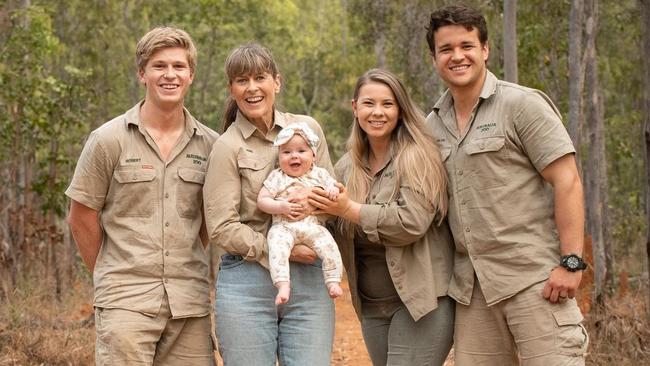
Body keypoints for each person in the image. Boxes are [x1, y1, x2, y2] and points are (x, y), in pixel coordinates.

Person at [424, 4, 589, 365]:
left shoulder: (521, 105)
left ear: (484, 50)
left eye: (466, 46)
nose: (457, 56)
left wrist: (572, 261)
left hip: (535, 281)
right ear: (434, 57)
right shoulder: (430, 127)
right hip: (473, 293)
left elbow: (568, 180)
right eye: (446, 49)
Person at [66, 27, 217, 365]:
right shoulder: (108, 140)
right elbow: (81, 216)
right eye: (159, 66)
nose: (170, 74)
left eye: (179, 66)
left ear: (191, 75)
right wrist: (111, 273)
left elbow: (207, 222)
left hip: (189, 303)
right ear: (142, 74)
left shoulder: (210, 145)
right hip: (125, 302)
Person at [309, 68, 455, 366]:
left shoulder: (417, 156)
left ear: (400, 109)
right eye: (368, 103)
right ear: (355, 108)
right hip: (372, 306)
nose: (378, 112)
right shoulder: (346, 167)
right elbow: (334, 229)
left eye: (387, 104)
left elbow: (411, 222)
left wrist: (349, 209)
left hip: (419, 303)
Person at [203, 43, 335, 366]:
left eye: (260, 77)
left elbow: (333, 201)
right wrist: (279, 251)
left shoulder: (307, 131)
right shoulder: (227, 147)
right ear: (231, 88)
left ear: (277, 82)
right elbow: (221, 226)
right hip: (246, 280)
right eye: (241, 80)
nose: (251, 88)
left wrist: (313, 216)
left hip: (308, 276)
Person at [257, 123, 344, 305]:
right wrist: (280, 206)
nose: (294, 156)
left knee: (329, 246)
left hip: (312, 226)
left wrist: (333, 190)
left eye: (301, 151)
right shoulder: (277, 176)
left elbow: (334, 188)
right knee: (276, 248)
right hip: (283, 227)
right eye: (286, 152)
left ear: (313, 155)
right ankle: (282, 284)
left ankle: (333, 280)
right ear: (279, 157)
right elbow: (262, 200)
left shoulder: (320, 174)